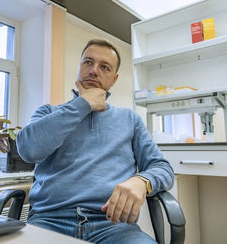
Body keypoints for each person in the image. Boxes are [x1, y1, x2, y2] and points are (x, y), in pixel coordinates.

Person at [16, 38, 174, 243]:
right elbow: (28, 150)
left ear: (114, 79)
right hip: (49, 222)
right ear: (79, 66)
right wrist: (82, 104)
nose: (93, 71)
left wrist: (142, 181)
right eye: (88, 62)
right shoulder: (48, 113)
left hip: (113, 226)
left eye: (104, 67)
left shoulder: (130, 120)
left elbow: (162, 167)